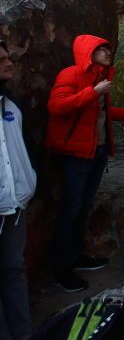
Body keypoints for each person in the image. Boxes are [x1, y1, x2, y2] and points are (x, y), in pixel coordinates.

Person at [45, 35, 124, 292]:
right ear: (88, 52)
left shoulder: (100, 77)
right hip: (77, 155)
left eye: (107, 49)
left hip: (96, 151)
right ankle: (61, 269)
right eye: (101, 49)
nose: (107, 52)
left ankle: (76, 257)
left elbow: (98, 113)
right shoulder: (71, 75)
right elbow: (56, 106)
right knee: (71, 209)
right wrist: (92, 92)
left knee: (83, 206)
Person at [0, 40, 37, 340]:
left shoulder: (11, 105)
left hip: (13, 207)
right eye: (1, 60)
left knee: (14, 272)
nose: (9, 63)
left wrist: (28, 181)